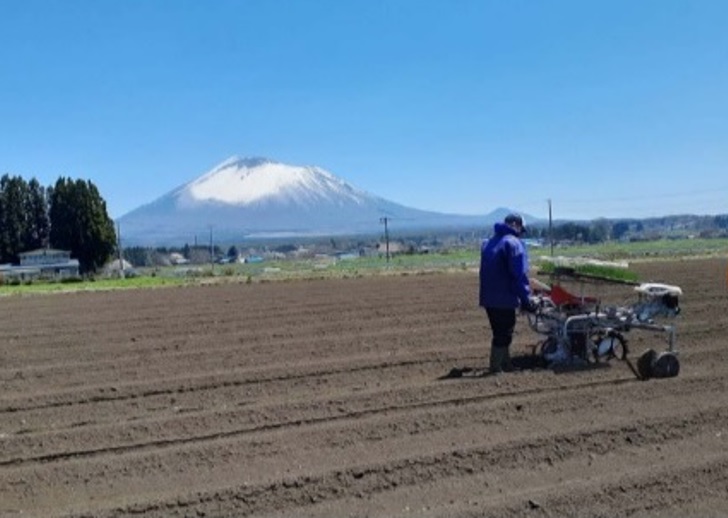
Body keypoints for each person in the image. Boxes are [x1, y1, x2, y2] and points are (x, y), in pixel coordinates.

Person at [479, 213, 535, 373]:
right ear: (516, 225)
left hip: (488, 297)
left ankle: (506, 363)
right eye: (521, 229)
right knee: (504, 334)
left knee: (499, 331)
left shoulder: (489, 242)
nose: (521, 233)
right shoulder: (513, 244)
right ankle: (495, 367)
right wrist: (526, 299)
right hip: (505, 297)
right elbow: (518, 275)